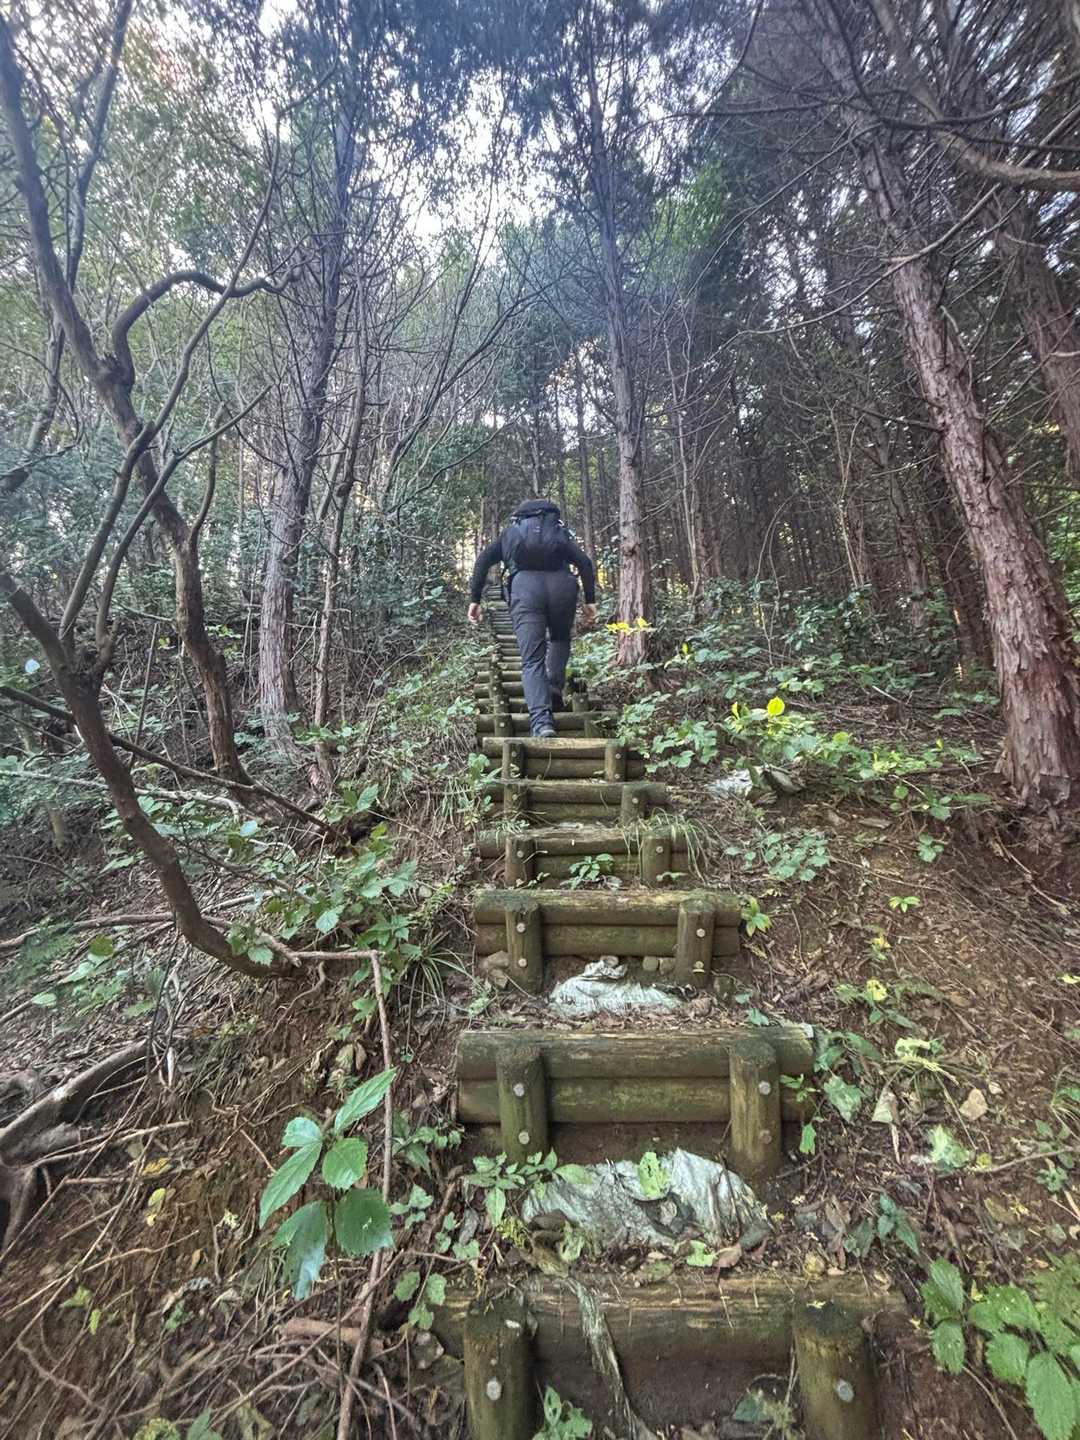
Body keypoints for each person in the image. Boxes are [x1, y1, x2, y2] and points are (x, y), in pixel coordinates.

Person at [468, 498, 597, 737]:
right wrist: (590, 600)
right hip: (562, 587)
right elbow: (584, 563)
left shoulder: (512, 532)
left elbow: (483, 560)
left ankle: (542, 723)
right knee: (560, 638)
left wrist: (475, 599)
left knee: (532, 660)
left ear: (520, 517)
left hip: (525, 590)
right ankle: (554, 688)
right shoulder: (559, 532)